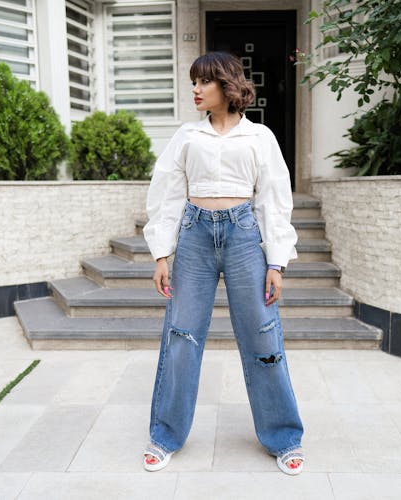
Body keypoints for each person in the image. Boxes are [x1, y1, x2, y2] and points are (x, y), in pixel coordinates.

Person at [141, 52, 304, 476]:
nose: (194, 89)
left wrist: (276, 262)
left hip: (244, 237)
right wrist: (162, 253)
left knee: (263, 334)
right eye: (193, 82)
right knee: (181, 335)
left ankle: (284, 437)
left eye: (203, 82)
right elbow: (168, 193)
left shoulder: (260, 138)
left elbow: (273, 201)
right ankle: (165, 435)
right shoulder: (186, 137)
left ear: (226, 87)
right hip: (194, 237)